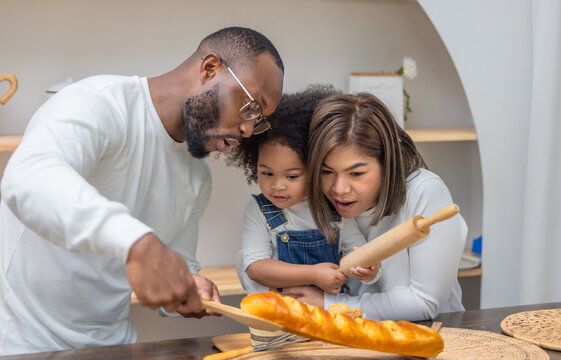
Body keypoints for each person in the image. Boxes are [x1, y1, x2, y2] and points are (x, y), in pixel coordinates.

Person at [0, 27, 284, 355]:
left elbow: (172, 262)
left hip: (115, 345)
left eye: (259, 120)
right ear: (209, 69)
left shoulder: (197, 177)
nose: (248, 129)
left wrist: (188, 284)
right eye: (251, 106)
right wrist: (139, 244)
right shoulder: (98, 103)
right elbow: (28, 177)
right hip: (23, 343)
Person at [282, 93, 467, 322]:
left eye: (356, 173)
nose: (339, 189)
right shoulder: (318, 202)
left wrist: (328, 303)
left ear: (387, 162)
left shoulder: (425, 191)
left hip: (436, 336)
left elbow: (426, 303)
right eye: (326, 171)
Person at [226, 85, 380, 297]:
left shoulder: (333, 209)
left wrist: (368, 270)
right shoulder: (259, 211)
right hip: (279, 315)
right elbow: (255, 268)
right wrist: (312, 274)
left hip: (329, 315)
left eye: (292, 176)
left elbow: (359, 253)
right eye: (267, 173)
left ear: (316, 169)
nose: (277, 185)